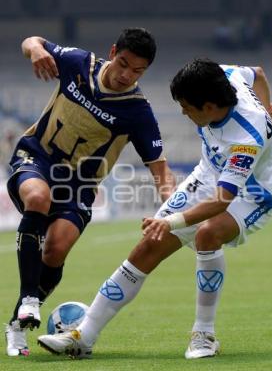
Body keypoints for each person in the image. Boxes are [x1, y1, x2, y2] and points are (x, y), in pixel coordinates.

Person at [37, 59, 272, 359]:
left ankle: (204, 335)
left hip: (253, 194)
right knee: (150, 243)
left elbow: (222, 201)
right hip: (208, 175)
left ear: (210, 106)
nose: (183, 112)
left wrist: (172, 222)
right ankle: (84, 336)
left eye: (188, 106)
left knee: (208, 235)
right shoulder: (225, 75)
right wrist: (269, 107)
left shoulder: (247, 137)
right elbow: (260, 73)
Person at [5, 28, 176, 357]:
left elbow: (160, 169)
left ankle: (16, 326)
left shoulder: (138, 112)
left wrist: (172, 211)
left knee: (55, 251)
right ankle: (29, 299)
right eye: (123, 63)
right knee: (38, 198)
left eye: (137, 70)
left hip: (80, 187)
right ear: (113, 51)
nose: (127, 75)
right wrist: (35, 51)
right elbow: (32, 41)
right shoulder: (77, 62)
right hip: (36, 158)